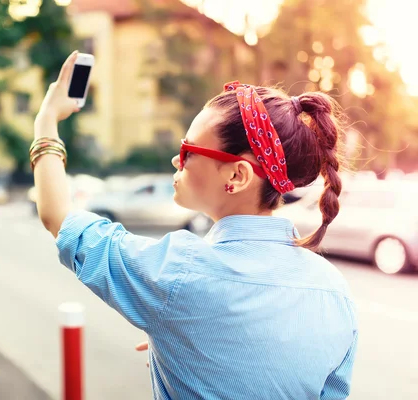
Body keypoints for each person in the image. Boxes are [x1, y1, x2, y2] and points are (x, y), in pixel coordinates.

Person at [31, 51, 358, 400]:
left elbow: (59, 217)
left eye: (189, 150)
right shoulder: (334, 291)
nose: (177, 159)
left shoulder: (178, 273)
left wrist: (47, 119)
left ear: (237, 175)